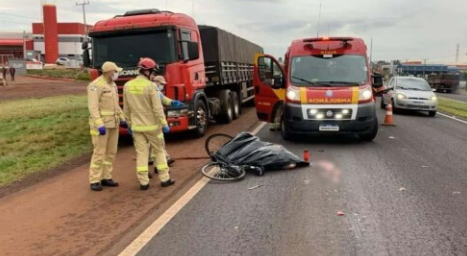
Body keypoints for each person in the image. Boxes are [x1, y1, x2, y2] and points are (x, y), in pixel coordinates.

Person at [123, 58, 175, 190]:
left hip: (137, 127)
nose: (153, 75)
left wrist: (129, 125)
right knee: (159, 152)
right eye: (152, 72)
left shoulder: (127, 85)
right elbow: (157, 108)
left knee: (141, 154)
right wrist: (164, 124)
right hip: (153, 127)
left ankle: (144, 182)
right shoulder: (151, 86)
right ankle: (165, 179)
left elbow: (126, 109)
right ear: (147, 71)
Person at [87, 61, 127, 192]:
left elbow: (116, 105)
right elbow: (93, 107)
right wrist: (99, 124)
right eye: (115, 72)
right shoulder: (95, 86)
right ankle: (94, 180)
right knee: (99, 153)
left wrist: (122, 118)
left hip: (113, 124)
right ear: (109, 72)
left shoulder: (113, 85)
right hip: (102, 126)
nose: (117, 74)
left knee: (111, 152)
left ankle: (106, 177)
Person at [147, 75, 183, 177]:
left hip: (154, 122)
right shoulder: (151, 90)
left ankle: (156, 166)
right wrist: (164, 123)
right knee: (156, 146)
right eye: (162, 84)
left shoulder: (156, 91)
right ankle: (158, 167)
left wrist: (172, 102)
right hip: (152, 122)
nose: (162, 86)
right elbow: (157, 109)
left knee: (156, 145)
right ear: (157, 82)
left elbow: (164, 99)